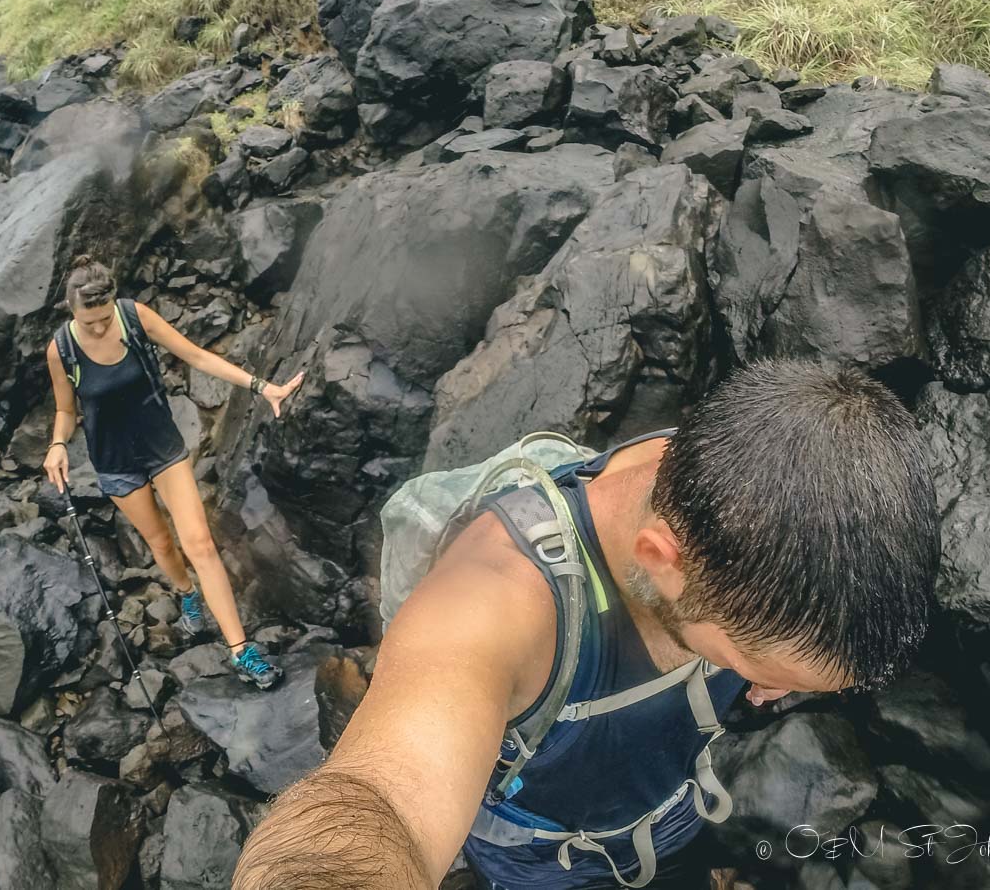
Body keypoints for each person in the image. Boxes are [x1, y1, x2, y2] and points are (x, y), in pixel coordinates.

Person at [232, 359, 941, 887]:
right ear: (662, 559)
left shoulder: (741, 469)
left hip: (671, 805)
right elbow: (383, 793)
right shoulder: (493, 605)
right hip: (546, 861)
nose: (764, 699)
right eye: (760, 673)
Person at [42, 255, 304, 690]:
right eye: (90, 322)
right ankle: (186, 594)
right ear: (73, 311)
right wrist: (56, 444)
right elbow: (66, 410)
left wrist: (262, 387)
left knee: (200, 543)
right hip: (115, 464)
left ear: (113, 304)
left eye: (105, 318)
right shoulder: (61, 349)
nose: (100, 327)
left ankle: (241, 651)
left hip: (162, 449)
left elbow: (198, 357)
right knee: (162, 544)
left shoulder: (134, 317)